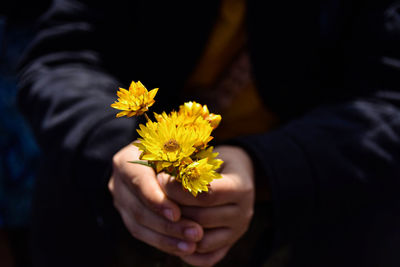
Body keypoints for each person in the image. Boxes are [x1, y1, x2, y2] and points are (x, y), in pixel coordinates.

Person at [17, 0, 400, 266]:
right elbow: (61, 58)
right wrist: (112, 144)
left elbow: (387, 101)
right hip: (102, 227)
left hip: (319, 225)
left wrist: (266, 167)